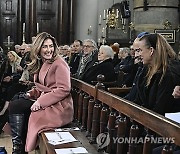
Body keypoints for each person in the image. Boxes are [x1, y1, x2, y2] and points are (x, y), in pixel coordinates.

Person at [8, 32, 74, 153]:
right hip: (49, 101)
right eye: (45, 46)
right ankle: (18, 148)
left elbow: (64, 89)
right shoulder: (42, 62)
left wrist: (41, 101)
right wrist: (31, 94)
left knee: (18, 106)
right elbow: (43, 87)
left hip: (59, 106)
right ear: (38, 48)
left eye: (51, 46)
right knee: (16, 102)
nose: (49, 50)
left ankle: (19, 149)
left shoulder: (59, 63)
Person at [133, 33, 180, 115]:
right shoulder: (145, 70)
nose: (138, 55)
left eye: (140, 50)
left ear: (151, 51)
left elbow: (160, 109)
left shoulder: (168, 74)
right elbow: (138, 99)